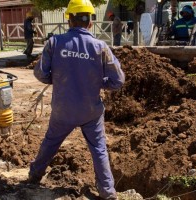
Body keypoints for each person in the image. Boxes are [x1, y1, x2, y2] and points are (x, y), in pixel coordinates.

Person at [30, 0, 125, 199]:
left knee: (50, 142)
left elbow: (40, 73)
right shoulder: (100, 47)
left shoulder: (55, 43)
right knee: (99, 149)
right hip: (90, 110)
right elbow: (118, 80)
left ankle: (35, 174)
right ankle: (107, 192)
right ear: (90, 22)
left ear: (69, 21)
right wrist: (98, 84)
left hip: (62, 109)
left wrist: (56, 79)